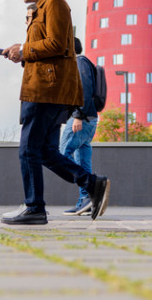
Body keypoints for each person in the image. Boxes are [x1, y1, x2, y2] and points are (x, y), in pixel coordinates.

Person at [1, 0, 111, 226]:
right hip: (42, 88)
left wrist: (24, 50)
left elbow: (57, 44)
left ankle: (35, 208)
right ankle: (92, 184)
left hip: (45, 91)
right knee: (47, 152)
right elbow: (46, 48)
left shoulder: (56, 3)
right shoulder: (40, 8)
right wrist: (20, 52)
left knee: (28, 150)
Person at [60, 38, 100, 216]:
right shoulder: (82, 62)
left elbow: (84, 88)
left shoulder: (79, 62)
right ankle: (86, 201)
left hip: (82, 118)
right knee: (83, 161)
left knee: (61, 154)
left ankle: (92, 187)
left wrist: (78, 115)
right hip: (88, 119)